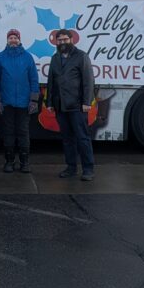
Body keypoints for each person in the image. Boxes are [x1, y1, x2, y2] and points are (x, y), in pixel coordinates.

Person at [47, 29, 96, 181]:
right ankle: (71, 167)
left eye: (64, 39)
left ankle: (88, 169)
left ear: (71, 39)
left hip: (77, 105)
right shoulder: (55, 58)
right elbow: (51, 82)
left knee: (82, 138)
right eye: (59, 40)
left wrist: (87, 102)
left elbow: (88, 81)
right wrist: (49, 102)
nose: (62, 43)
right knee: (67, 139)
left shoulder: (81, 56)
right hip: (60, 105)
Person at [0, 28, 40, 173]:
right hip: (6, 103)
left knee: (23, 133)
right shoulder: (0, 57)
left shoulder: (28, 57)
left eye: (15, 38)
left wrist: (34, 100)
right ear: (7, 40)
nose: (13, 40)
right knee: (8, 133)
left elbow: (34, 79)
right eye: (10, 38)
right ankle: (9, 162)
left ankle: (25, 163)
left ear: (19, 40)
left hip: (24, 104)